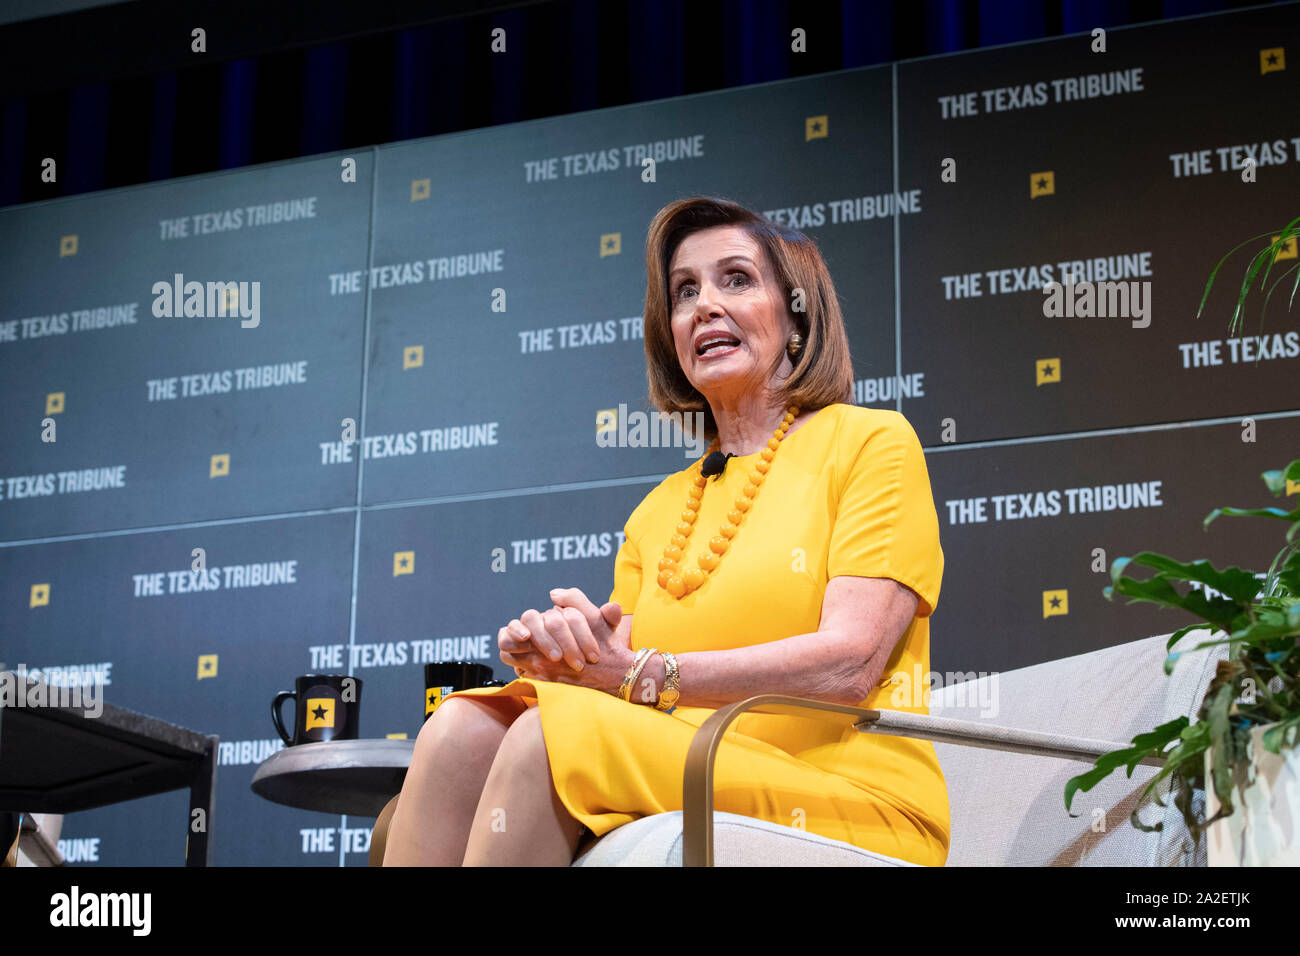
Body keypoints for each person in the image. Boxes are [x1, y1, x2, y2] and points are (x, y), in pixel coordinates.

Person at [383, 196, 948, 866]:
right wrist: (568, 661)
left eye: (736, 279)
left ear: (797, 313)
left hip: (849, 794)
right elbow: (617, 682)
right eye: (685, 292)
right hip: (692, 765)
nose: (705, 304)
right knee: (459, 728)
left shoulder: (871, 442)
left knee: (548, 740)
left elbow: (850, 663)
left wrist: (646, 673)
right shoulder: (658, 509)